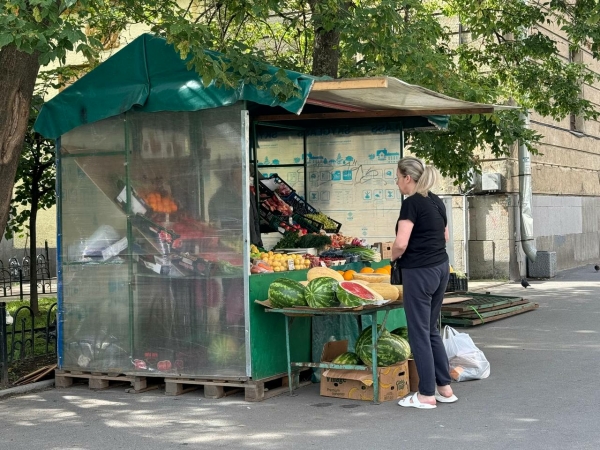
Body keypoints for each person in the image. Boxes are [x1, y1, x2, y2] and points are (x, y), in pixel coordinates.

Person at [392, 156, 458, 409]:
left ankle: (426, 395)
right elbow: (446, 235)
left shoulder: (411, 204)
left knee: (419, 332)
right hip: (441, 267)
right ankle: (445, 388)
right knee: (431, 330)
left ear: (407, 178)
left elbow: (401, 242)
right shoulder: (435, 201)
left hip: (419, 271)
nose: (397, 183)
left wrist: (392, 257)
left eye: (397, 178)